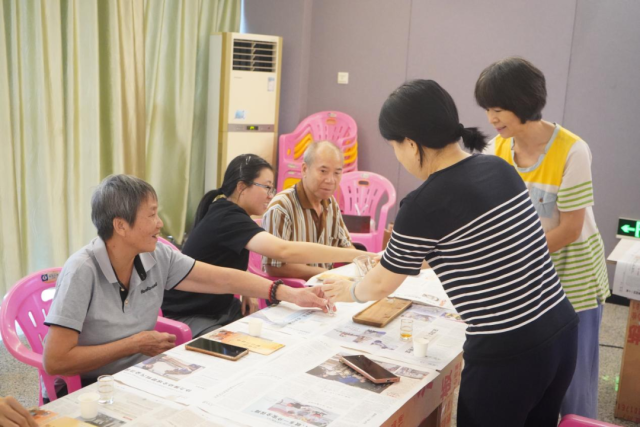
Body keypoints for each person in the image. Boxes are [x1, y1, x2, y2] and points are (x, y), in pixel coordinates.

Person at [322, 79, 578, 427]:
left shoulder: (423, 203)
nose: (398, 155)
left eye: (394, 146)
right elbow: (476, 245)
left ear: (411, 143)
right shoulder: (499, 169)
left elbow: (380, 285)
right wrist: (398, 258)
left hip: (509, 351)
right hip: (560, 331)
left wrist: (349, 290)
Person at [43, 174, 329, 390]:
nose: (160, 223)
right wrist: (135, 343)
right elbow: (56, 361)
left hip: (141, 373)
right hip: (90, 386)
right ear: (120, 226)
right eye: (152, 215)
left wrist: (288, 293)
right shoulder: (81, 271)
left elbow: (222, 279)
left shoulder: (156, 255)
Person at [475, 57, 610, 419]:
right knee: (530, 380)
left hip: (573, 282)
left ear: (523, 102)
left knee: (572, 385)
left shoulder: (572, 150)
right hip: (528, 280)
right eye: (488, 109)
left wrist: (514, 258)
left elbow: (569, 229)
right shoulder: (497, 150)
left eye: (498, 109)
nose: (491, 118)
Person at [161, 154, 368, 337]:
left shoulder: (227, 211)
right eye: (266, 187)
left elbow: (223, 260)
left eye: (272, 188)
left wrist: (246, 291)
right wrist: (354, 256)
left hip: (220, 307)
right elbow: (284, 251)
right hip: (192, 313)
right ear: (241, 187)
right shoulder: (227, 216)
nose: (271, 195)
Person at [263, 141, 355, 280]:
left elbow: (345, 246)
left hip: (325, 286)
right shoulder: (281, 207)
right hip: (292, 289)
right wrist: (325, 274)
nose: (331, 180)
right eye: (323, 171)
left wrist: (365, 264)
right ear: (305, 169)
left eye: (337, 173)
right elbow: (273, 266)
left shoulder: (331, 204)